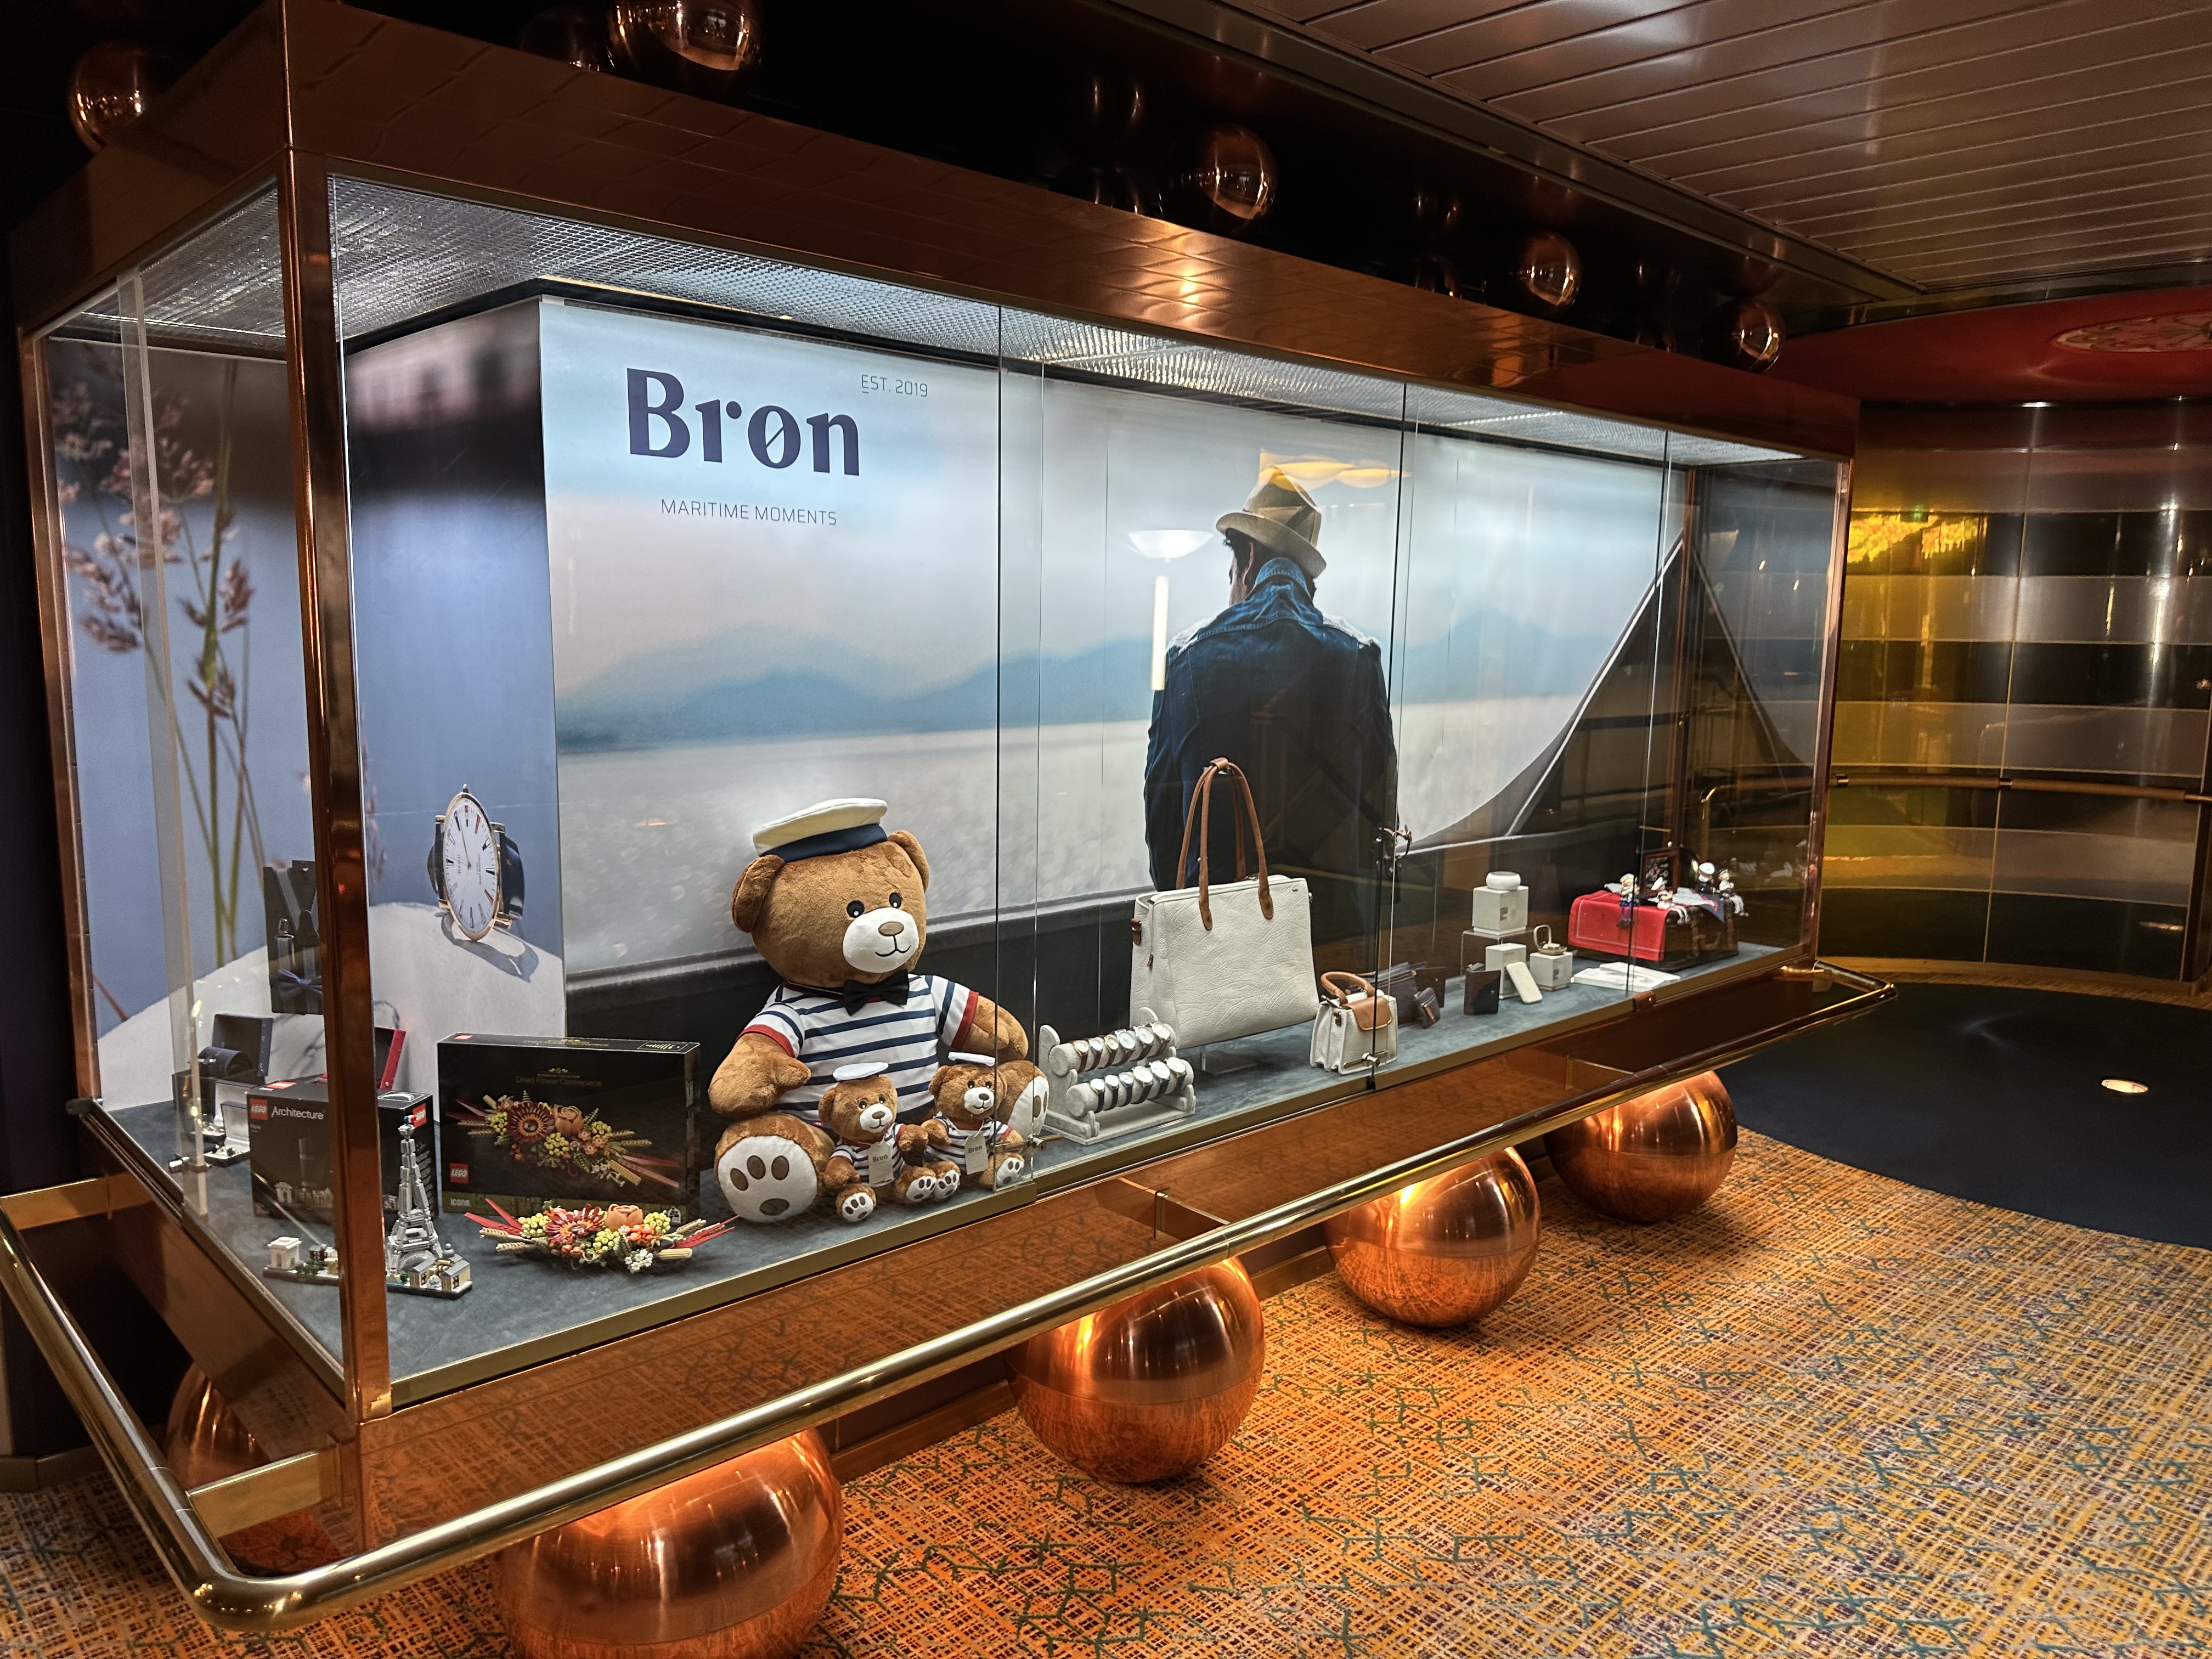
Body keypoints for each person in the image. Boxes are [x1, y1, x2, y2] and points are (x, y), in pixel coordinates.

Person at [1143, 466, 1398, 968]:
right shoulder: (1359, 657)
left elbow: (1164, 822)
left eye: (1231, 566)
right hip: (1335, 939)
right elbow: (1380, 819)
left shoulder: (1188, 658)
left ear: (1248, 558)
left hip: (1219, 944)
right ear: (1309, 578)